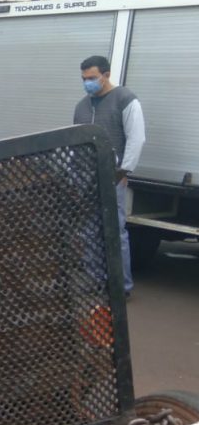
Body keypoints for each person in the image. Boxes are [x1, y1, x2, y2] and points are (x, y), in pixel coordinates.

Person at [73, 55, 145, 297]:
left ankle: (121, 286)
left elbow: (136, 138)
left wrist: (123, 172)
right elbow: (76, 142)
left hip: (113, 177)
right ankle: (95, 281)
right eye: (84, 79)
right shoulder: (82, 106)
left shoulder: (125, 99)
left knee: (114, 231)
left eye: (92, 78)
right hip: (85, 177)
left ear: (106, 75)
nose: (87, 83)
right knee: (88, 231)